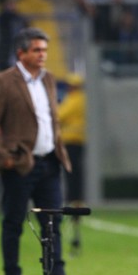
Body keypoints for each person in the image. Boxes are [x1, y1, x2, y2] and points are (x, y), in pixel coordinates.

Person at [0, 27, 88, 275]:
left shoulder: (48, 79)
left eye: (45, 50)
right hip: (20, 165)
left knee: (53, 223)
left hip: (49, 162)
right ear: (21, 52)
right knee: (13, 223)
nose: (42, 55)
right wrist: (4, 158)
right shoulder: (4, 81)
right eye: (37, 50)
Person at [57, 73, 87, 253]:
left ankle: (74, 200)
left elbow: (60, 115)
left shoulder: (74, 100)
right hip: (75, 141)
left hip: (72, 142)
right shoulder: (81, 99)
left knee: (72, 175)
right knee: (75, 174)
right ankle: (75, 200)